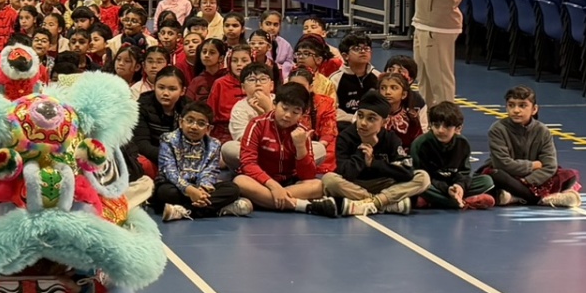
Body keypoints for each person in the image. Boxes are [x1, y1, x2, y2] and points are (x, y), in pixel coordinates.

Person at [232, 82, 370, 217]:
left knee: (317, 185)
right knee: (240, 181)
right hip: (261, 181)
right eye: (284, 108)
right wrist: (274, 186)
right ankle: (303, 206)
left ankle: (263, 200)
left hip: (289, 184)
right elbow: (248, 163)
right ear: (274, 104)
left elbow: (307, 175)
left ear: (303, 114)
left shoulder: (302, 132)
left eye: (295, 112)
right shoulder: (257, 124)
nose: (288, 115)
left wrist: (300, 147)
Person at [486, 86, 582, 207]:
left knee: (569, 175)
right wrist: (532, 165)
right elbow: (502, 163)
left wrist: (529, 180)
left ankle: (516, 197)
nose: (516, 110)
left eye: (522, 106)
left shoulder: (542, 131)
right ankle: (542, 199)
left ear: (534, 109)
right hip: (509, 174)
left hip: (534, 178)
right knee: (495, 175)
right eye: (511, 105)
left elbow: (550, 165)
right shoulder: (497, 129)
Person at [335, 93, 430, 214]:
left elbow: (407, 172)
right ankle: (383, 204)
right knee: (329, 180)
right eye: (360, 116)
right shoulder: (345, 136)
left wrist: (374, 163)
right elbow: (345, 174)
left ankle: (372, 203)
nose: (363, 123)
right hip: (355, 184)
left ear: (384, 122)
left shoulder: (391, 138)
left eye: (371, 119)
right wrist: (361, 152)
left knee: (422, 177)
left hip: (384, 184)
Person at [154, 103, 250, 219]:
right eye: (189, 121)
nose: (194, 127)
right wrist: (190, 190)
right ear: (181, 122)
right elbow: (169, 172)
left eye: (201, 123)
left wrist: (202, 189)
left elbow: (210, 171)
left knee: (232, 189)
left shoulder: (214, 144)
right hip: (176, 186)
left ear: (208, 129)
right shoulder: (168, 139)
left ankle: (183, 211)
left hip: (200, 187)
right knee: (166, 192)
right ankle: (217, 208)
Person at [413, 100, 497, 209]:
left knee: (487, 181)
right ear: (431, 125)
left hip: (452, 183)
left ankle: (439, 200)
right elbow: (421, 175)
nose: (440, 130)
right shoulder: (421, 144)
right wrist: (446, 189)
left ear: (458, 128)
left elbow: (464, 172)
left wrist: (459, 186)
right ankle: (461, 202)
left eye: (447, 126)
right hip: (432, 184)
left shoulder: (463, 143)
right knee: (419, 184)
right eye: (436, 125)